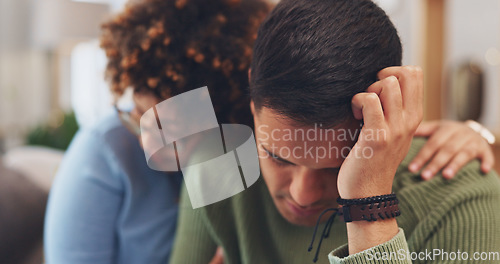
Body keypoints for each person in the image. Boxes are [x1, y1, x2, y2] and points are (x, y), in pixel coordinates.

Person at [169, 0, 500, 263]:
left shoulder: (463, 200)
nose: (303, 194)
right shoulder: (218, 164)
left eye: (337, 166)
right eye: (277, 158)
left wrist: (370, 207)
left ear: (390, 114)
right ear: (252, 98)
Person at [43, 0, 270, 263]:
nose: (145, 142)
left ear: (221, 123)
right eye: (139, 114)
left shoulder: (240, 160)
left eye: (170, 131)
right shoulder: (101, 155)